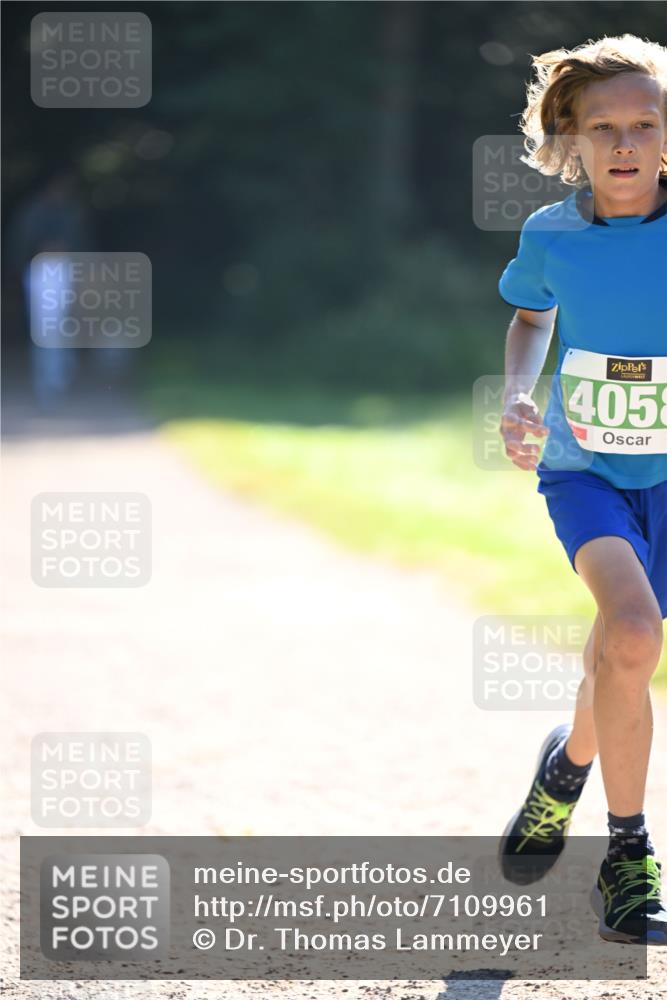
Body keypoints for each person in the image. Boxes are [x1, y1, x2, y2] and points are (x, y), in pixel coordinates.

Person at [496, 34, 667, 945]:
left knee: (619, 653)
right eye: (602, 127)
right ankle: (627, 859)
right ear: (569, 138)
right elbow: (531, 318)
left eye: (644, 123)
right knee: (635, 631)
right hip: (586, 468)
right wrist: (520, 393)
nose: (624, 143)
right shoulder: (550, 234)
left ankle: (563, 772)